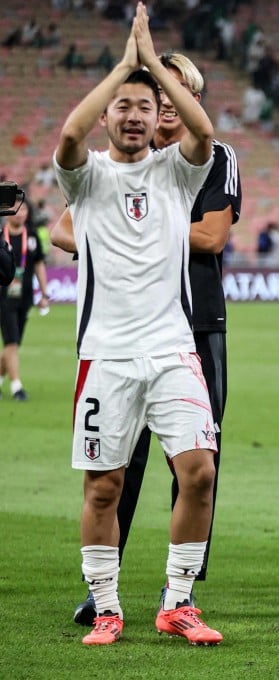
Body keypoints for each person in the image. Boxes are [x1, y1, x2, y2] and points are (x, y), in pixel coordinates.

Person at [55, 49, 242, 627]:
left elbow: (204, 131)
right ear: (107, 116)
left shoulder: (176, 171)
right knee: (106, 485)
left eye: (147, 106)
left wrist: (156, 73)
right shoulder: (85, 176)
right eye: (124, 107)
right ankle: (107, 607)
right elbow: (68, 135)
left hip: (172, 349)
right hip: (106, 355)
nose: (137, 115)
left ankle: (178, 601)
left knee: (200, 472)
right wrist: (120, 72)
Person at [1, 210, 49, 401]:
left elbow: (39, 265)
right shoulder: (1, 235)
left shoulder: (32, 236)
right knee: (11, 342)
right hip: (3, 298)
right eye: (15, 210)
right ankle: (16, 387)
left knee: (13, 345)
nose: (19, 214)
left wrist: (44, 293)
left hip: (25, 297)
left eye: (23, 210)